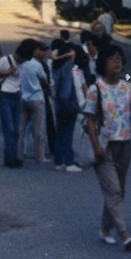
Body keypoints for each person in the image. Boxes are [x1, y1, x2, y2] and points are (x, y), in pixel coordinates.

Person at [86, 44, 131, 251]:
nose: (117, 62)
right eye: (112, 58)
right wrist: (96, 145)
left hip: (125, 143)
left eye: (119, 58)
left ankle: (105, 228)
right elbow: (89, 120)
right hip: (104, 146)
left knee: (117, 190)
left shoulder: (127, 86)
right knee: (114, 190)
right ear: (103, 63)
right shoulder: (95, 89)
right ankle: (124, 232)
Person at [0, 42, 24, 167]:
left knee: (16, 129)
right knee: (9, 127)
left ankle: (13, 156)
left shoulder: (23, 64)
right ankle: (10, 157)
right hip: (4, 94)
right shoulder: (5, 60)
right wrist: (7, 72)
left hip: (16, 95)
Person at [51, 39, 82, 172]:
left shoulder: (55, 66)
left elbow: (53, 55)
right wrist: (66, 54)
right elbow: (72, 54)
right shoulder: (68, 67)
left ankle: (58, 161)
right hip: (68, 101)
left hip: (58, 102)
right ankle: (69, 162)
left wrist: (58, 56)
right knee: (68, 133)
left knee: (60, 133)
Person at [18, 40, 50, 163]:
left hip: (23, 97)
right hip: (36, 98)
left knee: (21, 130)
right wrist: (47, 88)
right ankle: (40, 156)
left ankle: (19, 153)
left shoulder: (22, 64)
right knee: (38, 130)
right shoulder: (37, 65)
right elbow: (44, 80)